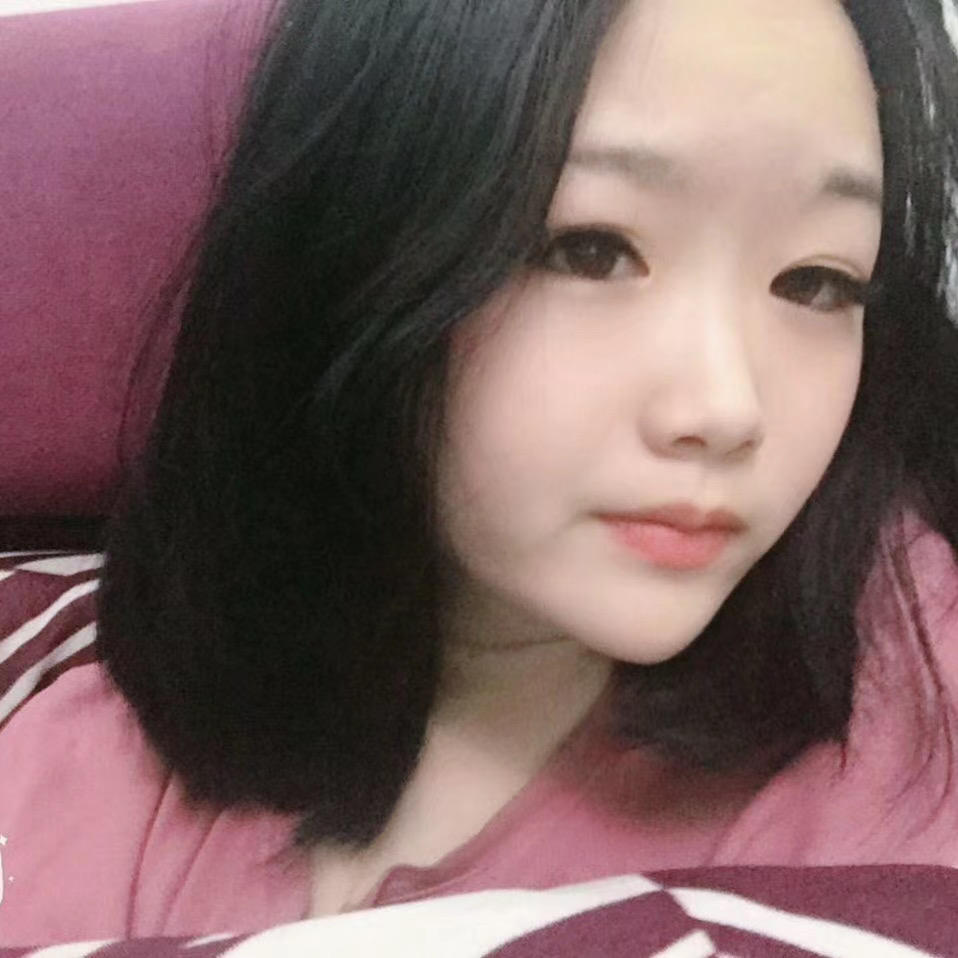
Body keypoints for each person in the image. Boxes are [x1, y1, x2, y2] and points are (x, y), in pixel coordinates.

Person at [2, 0, 958, 946]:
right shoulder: (81, 759)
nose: (727, 409)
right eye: (590, 251)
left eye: (817, 282)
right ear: (344, 251)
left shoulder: (910, 726)